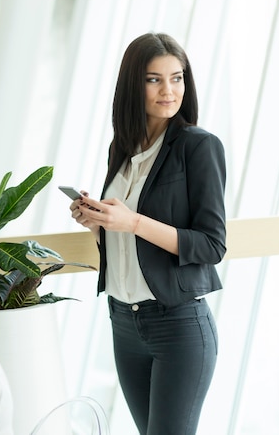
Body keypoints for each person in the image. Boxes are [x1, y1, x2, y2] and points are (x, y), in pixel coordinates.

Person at [69, 32, 226, 435]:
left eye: (177, 78)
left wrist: (133, 222)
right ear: (132, 85)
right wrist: (98, 223)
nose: (168, 90)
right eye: (154, 79)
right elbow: (127, 245)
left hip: (178, 325)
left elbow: (211, 244)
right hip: (124, 321)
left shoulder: (198, 146)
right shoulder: (121, 150)